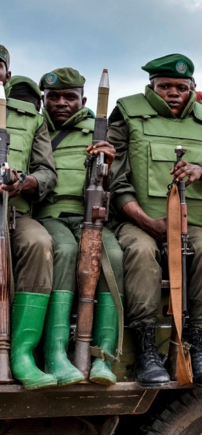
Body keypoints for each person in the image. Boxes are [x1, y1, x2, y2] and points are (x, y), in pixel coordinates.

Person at [108, 54, 202, 389]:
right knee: (139, 252)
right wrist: (146, 221)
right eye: (165, 86)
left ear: (193, 88)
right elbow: (115, 180)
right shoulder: (128, 113)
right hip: (139, 220)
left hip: (191, 223)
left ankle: (198, 348)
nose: (173, 93)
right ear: (151, 87)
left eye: (181, 87)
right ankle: (146, 349)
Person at [34, 68, 124, 387]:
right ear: (43, 100)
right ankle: (56, 353)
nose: (61, 103)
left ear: (83, 100)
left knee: (112, 255)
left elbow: (120, 184)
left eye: (69, 97)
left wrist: (109, 166)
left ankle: (102, 358)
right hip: (50, 215)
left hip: (92, 215)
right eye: (53, 97)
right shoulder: (37, 127)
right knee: (66, 250)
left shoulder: (100, 132)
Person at [0, 45, 59, 391]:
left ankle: (21, 353)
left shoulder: (31, 117)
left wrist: (24, 182)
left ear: (7, 75)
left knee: (39, 243)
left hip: (14, 213)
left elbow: (46, 173)